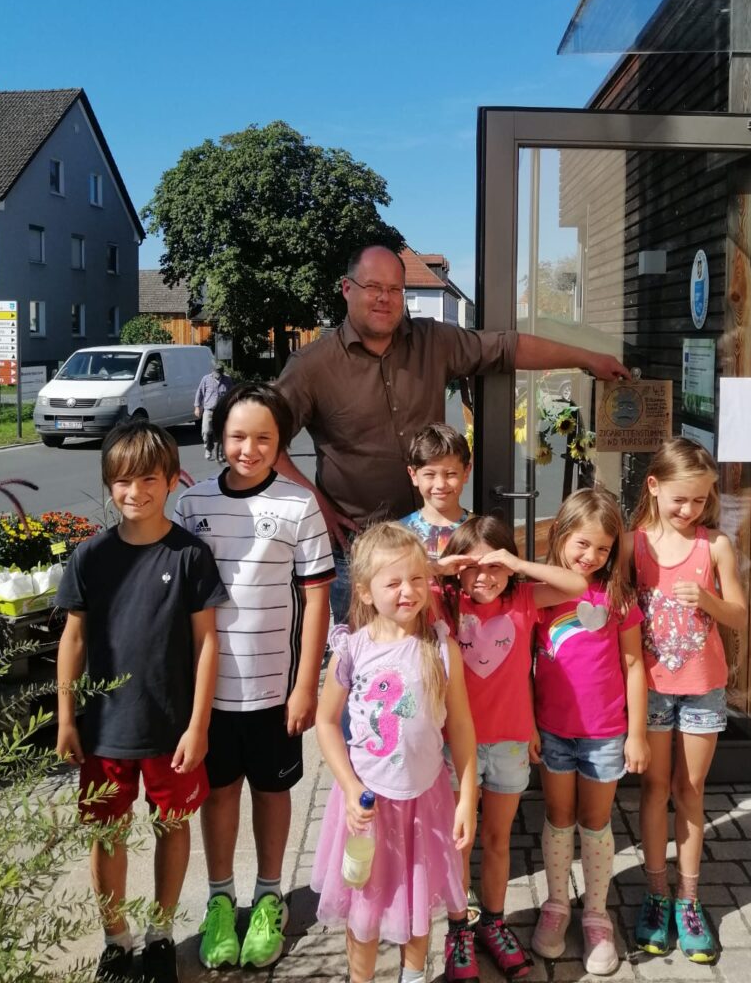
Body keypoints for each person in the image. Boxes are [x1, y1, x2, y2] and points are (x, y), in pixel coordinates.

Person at [275, 244, 630, 622]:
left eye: (395, 289)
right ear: (347, 288)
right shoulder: (311, 366)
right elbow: (266, 444)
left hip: (436, 545)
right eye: (373, 287)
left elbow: (506, 348)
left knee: (444, 647)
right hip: (360, 550)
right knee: (367, 651)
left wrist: (588, 358)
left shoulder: (432, 342)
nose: (384, 298)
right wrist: (317, 503)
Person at [55, 421, 226, 983]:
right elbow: (73, 639)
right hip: (105, 729)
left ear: (172, 480)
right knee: (107, 834)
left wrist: (198, 725)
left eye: (149, 479)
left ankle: (160, 933)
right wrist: (66, 717)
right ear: (109, 484)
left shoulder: (190, 555)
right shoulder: (90, 557)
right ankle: (115, 938)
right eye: (123, 481)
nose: (135, 492)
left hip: (171, 728)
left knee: (172, 826)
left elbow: (206, 643)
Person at [173, 383, 333, 971]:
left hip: (274, 686)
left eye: (264, 438)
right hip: (208, 692)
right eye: (238, 436)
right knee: (218, 794)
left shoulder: (298, 504)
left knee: (271, 790)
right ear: (220, 435)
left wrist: (306, 684)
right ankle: (220, 900)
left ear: (280, 441)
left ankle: (269, 897)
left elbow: (317, 601)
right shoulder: (193, 504)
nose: (249, 448)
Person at [311, 523, 477, 983]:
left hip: (426, 800)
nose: (408, 591)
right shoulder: (352, 650)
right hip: (367, 805)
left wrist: (467, 797)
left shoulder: (440, 647)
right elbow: (326, 723)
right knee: (363, 904)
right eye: (394, 582)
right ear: (365, 591)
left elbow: (461, 726)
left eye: (417, 578)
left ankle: (413, 975)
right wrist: (349, 787)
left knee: (416, 900)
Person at [433, 515, 590, 983]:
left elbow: (577, 585)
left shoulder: (522, 598)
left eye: (494, 566)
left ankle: (494, 922)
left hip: (510, 741)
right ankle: (459, 928)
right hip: (456, 746)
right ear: (457, 569)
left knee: (498, 839)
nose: (483, 577)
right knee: (459, 843)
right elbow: (396, 575)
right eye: (472, 567)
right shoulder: (446, 602)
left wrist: (518, 564)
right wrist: (442, 567)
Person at [629, 438, 747, 965]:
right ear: (654, 486)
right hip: (651, 688)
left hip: (702, 687)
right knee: (655, 788)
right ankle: (656, 894)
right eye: (680, 499)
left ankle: (688, 899)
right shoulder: (633, 546)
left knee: (690, 789)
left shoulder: (714, 545)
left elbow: (740, 615)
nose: (689, 509)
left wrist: (709, 600)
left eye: (700, 500)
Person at [531, 490, 648, 977]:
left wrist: (636, 733)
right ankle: (557, 904)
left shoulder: (617, 596)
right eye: (582, 543)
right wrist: (526, 723)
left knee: (595, 822)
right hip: (553, 730)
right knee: (559, 817)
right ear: (560, 535)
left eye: (603, 548)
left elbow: (634, 664)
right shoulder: (540, 596)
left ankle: (597, 916)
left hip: (605, 734)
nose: (591, 556)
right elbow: (519, 665)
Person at [399, 423, 471, 559]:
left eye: (450, 474)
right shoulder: (398, 534)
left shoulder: (482, 531)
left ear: (466, 472)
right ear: (413, 475)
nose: (441, 485)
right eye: (430, 474)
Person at [194, 361, 233, 460]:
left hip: (222, 411)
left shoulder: (227, 380)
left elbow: (232, 394)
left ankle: (220, 453)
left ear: (222, 372)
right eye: (216, 373)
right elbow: (199, 392)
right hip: (209, 410)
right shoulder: (206, 379)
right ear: (212, 371)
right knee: (206, 431)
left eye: (219, 373)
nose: (217, 375)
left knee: (222, 433)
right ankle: (208, 448)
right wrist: (197, 407)